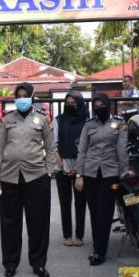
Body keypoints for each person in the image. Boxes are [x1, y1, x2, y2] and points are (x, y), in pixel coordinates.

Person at [0, 82, 57, 277]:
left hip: (36, 177)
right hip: (9, 177)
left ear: (32, 97)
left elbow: (51, 147)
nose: (21, 98)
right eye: (18, 95)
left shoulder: (42, 120)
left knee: (38, 222)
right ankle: (10, 263)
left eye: (24, 95)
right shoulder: (7, 120)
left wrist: (49, 171)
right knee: (10, 222)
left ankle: (38, 263)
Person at [75, 94, 128, 266]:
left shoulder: (119, 123)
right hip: (91, 173)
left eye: (102, 105)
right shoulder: (89, 125)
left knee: (105, 212)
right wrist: (79, 175)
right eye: (96, 105)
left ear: (108, 105)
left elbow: (121, 149)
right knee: (94, 211)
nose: (99, 108)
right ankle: (97, 247)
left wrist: (124, 169)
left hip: (110, 173)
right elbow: (82, 151)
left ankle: (100, 251)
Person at [54, 90, 88, 248]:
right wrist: (61, 163)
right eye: (68, 103)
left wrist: (77, 167)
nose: (70, 105)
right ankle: (67, 235)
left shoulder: (87, 120)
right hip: (62, 166)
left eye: (73, 103)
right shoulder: (58, 120)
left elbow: (88, 145)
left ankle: (79, 236)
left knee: (80, 202)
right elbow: (53, 143)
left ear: (80, 103)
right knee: (65, 202)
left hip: (80, 166)